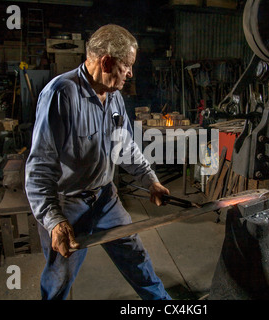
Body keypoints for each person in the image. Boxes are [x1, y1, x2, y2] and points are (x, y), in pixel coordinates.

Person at [25, 24, 172, 300]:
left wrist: (150, 181)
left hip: (106, 199)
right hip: (68, 206)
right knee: (59, 280)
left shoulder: (114, 97)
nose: (130, 73)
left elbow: (125, 146)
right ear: (106, 61)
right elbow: (40, 167)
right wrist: (54, 220)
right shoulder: (61, 95)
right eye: (127, 65)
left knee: (136, 258)